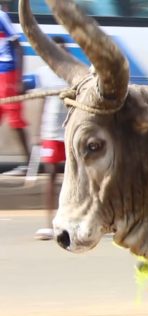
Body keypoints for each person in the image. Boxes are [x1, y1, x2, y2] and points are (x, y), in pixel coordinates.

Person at [24, 36, 69, 240]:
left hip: (70, 133)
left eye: (63, 50)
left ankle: (69, 220)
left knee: (72, 178)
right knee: (50, 175)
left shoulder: (74, 74)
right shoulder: (44, 74)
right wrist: (37, 133)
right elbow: (41, 104)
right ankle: (49, 223)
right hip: (51, 133)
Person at [0, 6, 30, 176]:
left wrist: (19, 79)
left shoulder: (1, 16)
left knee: (14, 120)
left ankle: (27, 164)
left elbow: (19, 47)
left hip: (8, 73)